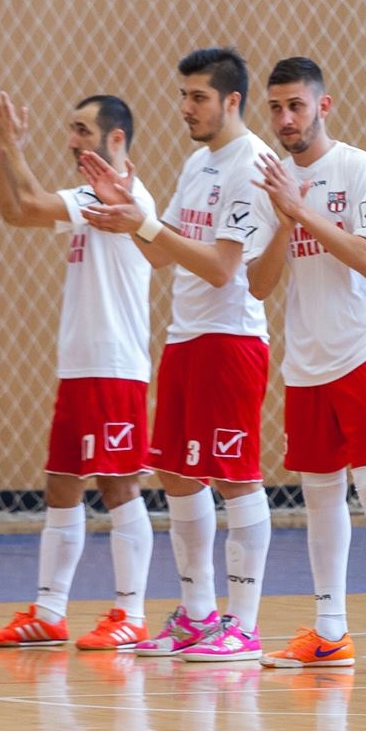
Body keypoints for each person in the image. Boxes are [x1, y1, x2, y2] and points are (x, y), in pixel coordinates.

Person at [82, 47, 278, 663]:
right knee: (177, 472)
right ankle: (197, 616)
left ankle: (241, 626)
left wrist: (142, 224)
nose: (185, 108)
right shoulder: (199, 161)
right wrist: (128, 215)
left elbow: (223, 268)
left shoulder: (252, 163)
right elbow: (161, 253)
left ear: (231, 101)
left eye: (198, 97)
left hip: (232, 339)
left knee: (235, 474)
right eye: (183, 95)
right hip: (187, 335)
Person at [245, 58, 366, 672]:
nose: (286, 119)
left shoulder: (362, 169)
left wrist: (302, 210)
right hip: (306, 359)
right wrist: (284, 221)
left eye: (297, 106)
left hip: (363, 348)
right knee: (318, 494)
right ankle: (330, 630)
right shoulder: (273, 181)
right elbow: (260, 286)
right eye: (276, 108)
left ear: (324, 106)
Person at [0, 90, 157, 652]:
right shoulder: (88, 196)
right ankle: (50, 612)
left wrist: (12, 144)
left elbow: (29, 201)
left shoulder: (120, 197)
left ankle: (131, 613)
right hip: (81, 364)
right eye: (71, 129)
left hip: (114, 364)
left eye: (82, 130)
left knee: (117, 484)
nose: (71, 140)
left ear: (115, 139)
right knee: (61, 483)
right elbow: (14, 211)